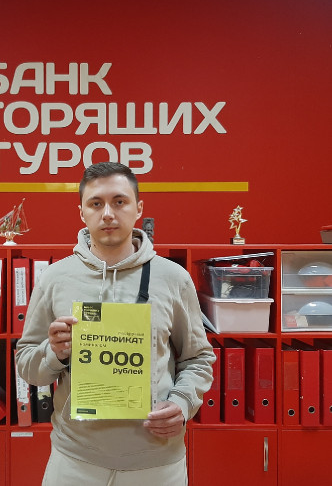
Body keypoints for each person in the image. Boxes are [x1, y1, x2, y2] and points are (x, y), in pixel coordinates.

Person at [15, 162, 215, 485]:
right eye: (96, 204)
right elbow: (26, 365)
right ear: (82, 212)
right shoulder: (55, 278)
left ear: (139, 208)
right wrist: (55, 352)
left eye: (119, 201)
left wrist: (182, 402)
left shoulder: (173, 278)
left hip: (156, 462)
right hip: (74, 462)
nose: (108, 213)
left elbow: (199, 358)